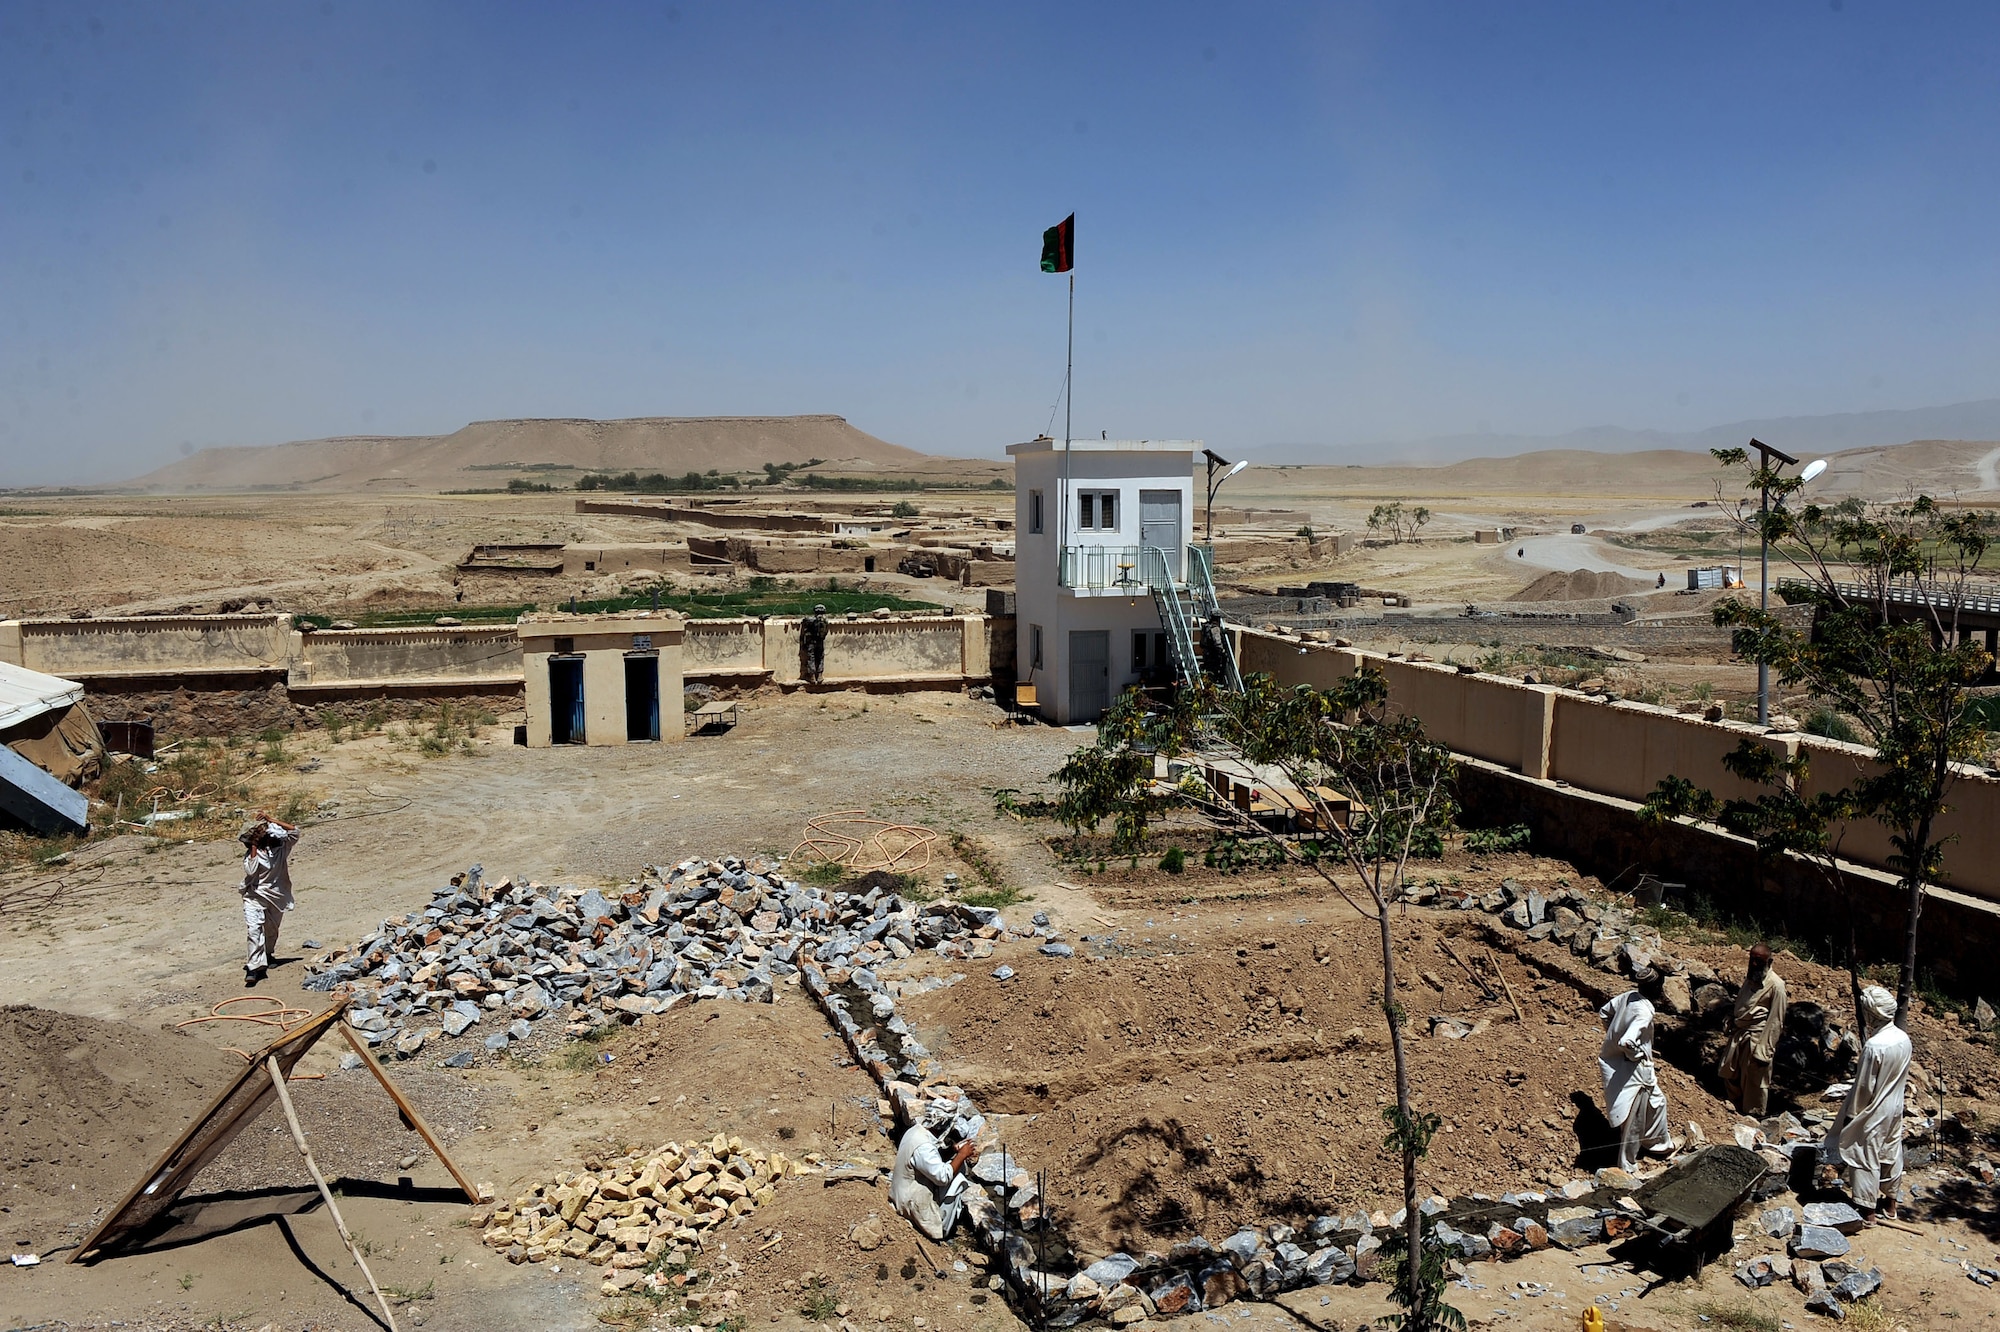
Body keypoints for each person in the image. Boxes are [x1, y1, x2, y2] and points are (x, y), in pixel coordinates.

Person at [1823, 985, 1911, 1221]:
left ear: (1873, 1013)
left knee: (1863, 1153)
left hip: (1874, 1108)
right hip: (1895, 1105)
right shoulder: (1903, 1038)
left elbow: (1863, 1087)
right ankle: (1891, 1204)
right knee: (1891, 1151)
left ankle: (1868, 1210)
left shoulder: (1875, 1046)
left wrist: (1852, 1115)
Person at [1599, 989, 1674, 1171]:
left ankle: (1658, 1145)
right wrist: (1636, 1054)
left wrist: (1612, 1035)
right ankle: (1627, 1165)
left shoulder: (1629, 996)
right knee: (1635, 1116)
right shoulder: (1644, 1012)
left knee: (1658, 1102)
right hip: (1638, 1068)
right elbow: (1627, 1042)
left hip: (1621, 1063)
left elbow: (1604, 1012)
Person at [890, 1104, 980, 1240]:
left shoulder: (915, 1131)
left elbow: (928, 1160)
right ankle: (943, 1228)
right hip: (910, 1202)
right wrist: (961, 1155)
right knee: (959, 1179)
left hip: (901, 1192)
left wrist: (953, 1150)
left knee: (954, 1165)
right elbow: (942, 1177)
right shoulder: (924, 1147)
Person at [1719, 944, 1788, 1115]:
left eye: (1759, 961)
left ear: (1769, 961)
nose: (1754, 964)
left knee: (1753, 1083)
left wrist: (1764, 1051)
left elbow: (1776, 1021)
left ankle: (1752, 1116)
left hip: (1757, 1039)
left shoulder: (1776, 986)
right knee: (1730, 1073)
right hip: (1739, 1034)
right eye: (1752, 960)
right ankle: (1733, 1111)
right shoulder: (1751, 978)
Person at [238, 810, 300, 987]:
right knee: (254, 930)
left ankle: (267, 953)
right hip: (254, 895)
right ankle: (253, 967)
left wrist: (271, 819)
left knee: (271, 929)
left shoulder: (281, 849)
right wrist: (254, 847)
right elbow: (250, 871)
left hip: (276, 895)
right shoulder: (253, 854)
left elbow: (295, 831)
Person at [799, 605, 829, 685]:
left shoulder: (810, 620)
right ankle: (819, 675)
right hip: (820, 641)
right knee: (820, 658)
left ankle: (812, 676)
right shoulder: (825, 620)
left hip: (811, 642)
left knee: (811, 658)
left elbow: (805, 622)